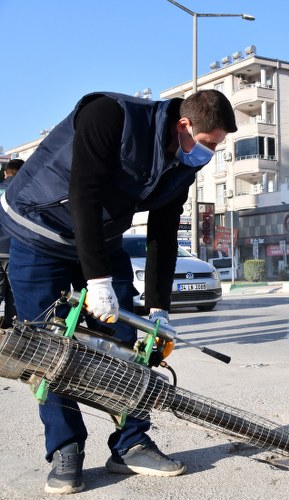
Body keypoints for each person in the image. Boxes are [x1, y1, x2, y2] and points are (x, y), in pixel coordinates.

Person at [0, 90, 237, 494]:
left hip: (101, 240)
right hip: (39, 232)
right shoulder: (110, 116)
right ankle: (66, 448)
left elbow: (162, 232)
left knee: (125, 341)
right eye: (210, 143)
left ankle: (130, 443)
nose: (212, 153)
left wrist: (159, 309)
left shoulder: (182, 163)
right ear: (184, 126)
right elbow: (84, 194)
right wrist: (97, 281)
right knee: (48, 348)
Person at [0, 158, 24, 328]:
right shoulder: (26, 190)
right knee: (15, 295)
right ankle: (10, 332)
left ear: (5, 173)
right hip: (16, 249)